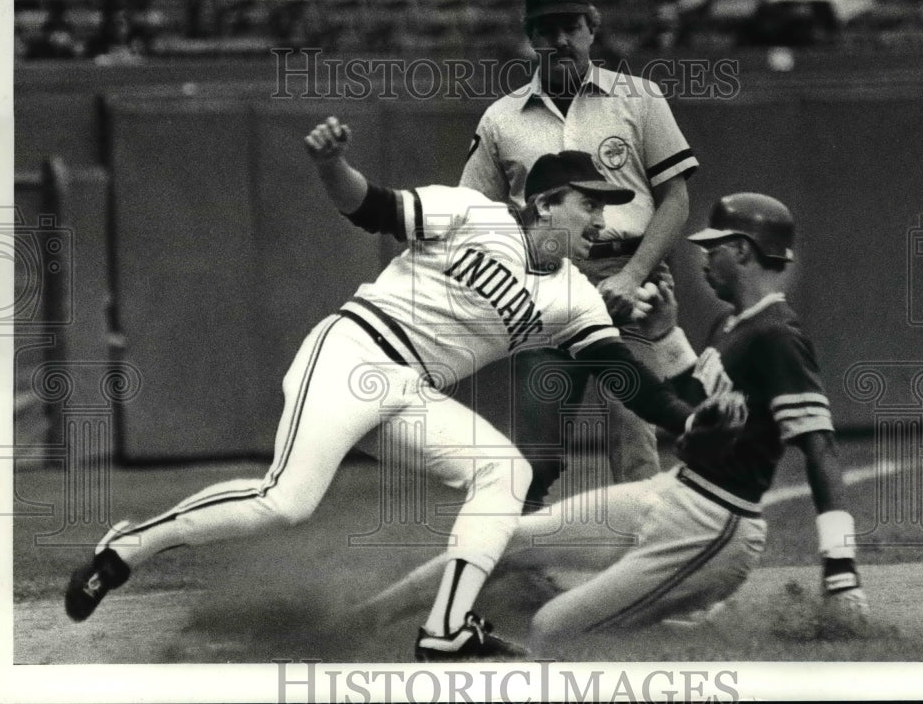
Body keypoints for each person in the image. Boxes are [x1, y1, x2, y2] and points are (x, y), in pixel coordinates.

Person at [64, 117, 745, 662]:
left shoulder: (576, 297)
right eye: (590, 202)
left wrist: (685, 422)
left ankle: (446, 629)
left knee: (502, 470)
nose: (602, 219)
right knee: (285, 502)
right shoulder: (472, 212)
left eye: (608, 206)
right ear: (544, 201)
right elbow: (369, 206)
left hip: (409, 391)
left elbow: (618, 374)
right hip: (351, 353)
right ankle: (131, 545)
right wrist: (332, 164)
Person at [354, 193, 870, 655]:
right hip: (671, 492)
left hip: (716, 523)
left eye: (714, 247)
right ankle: (356, 624)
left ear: (743, 250)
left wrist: (841, 569)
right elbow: (691, 412)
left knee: (553, 629)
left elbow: (820, 448)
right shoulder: (732, 324)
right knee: (505, 537)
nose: (704, 258)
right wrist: (667, 335)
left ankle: (706, 633)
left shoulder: (779, 334)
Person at [461, 0, 700, 507]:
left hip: (628, 279)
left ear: (592, 26)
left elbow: (676, 199)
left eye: (570, 25)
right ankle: (515, 574)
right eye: (545, 30)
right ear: (531, 38)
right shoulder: (502, 119)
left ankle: (649, 575)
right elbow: (473, 211)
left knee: (635, 437)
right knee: (535, 454)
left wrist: (635, 274)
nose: (559, 40)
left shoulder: (638, 98)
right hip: (544, 288)